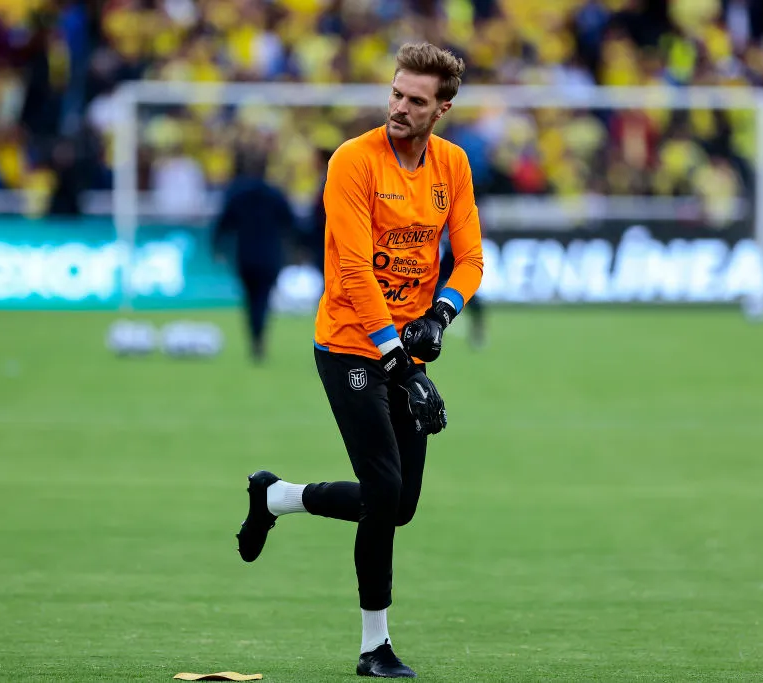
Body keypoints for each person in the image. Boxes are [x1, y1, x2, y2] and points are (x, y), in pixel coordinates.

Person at [235, 43, 484, 678]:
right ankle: (375, 647)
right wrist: (398, 360)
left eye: (416, 100)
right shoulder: (352, 160)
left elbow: (471, 260)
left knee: (399, 506)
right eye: (396, 93)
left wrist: (440, 315)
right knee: (384, 490)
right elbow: (351, 270)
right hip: (350, 343)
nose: (399, 107)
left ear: (441, 109)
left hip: (405, 349)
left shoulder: (453, 165)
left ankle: (276, 497)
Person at [213, 145, 297, 362]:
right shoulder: (275, 194)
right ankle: (259, 336)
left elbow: (223, 224)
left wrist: (217, 248)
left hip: (245, 255)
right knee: (263, 298)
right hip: (269, 255)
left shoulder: (238, 194)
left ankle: (254, 336)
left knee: (249, 298)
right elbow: (290, 223)